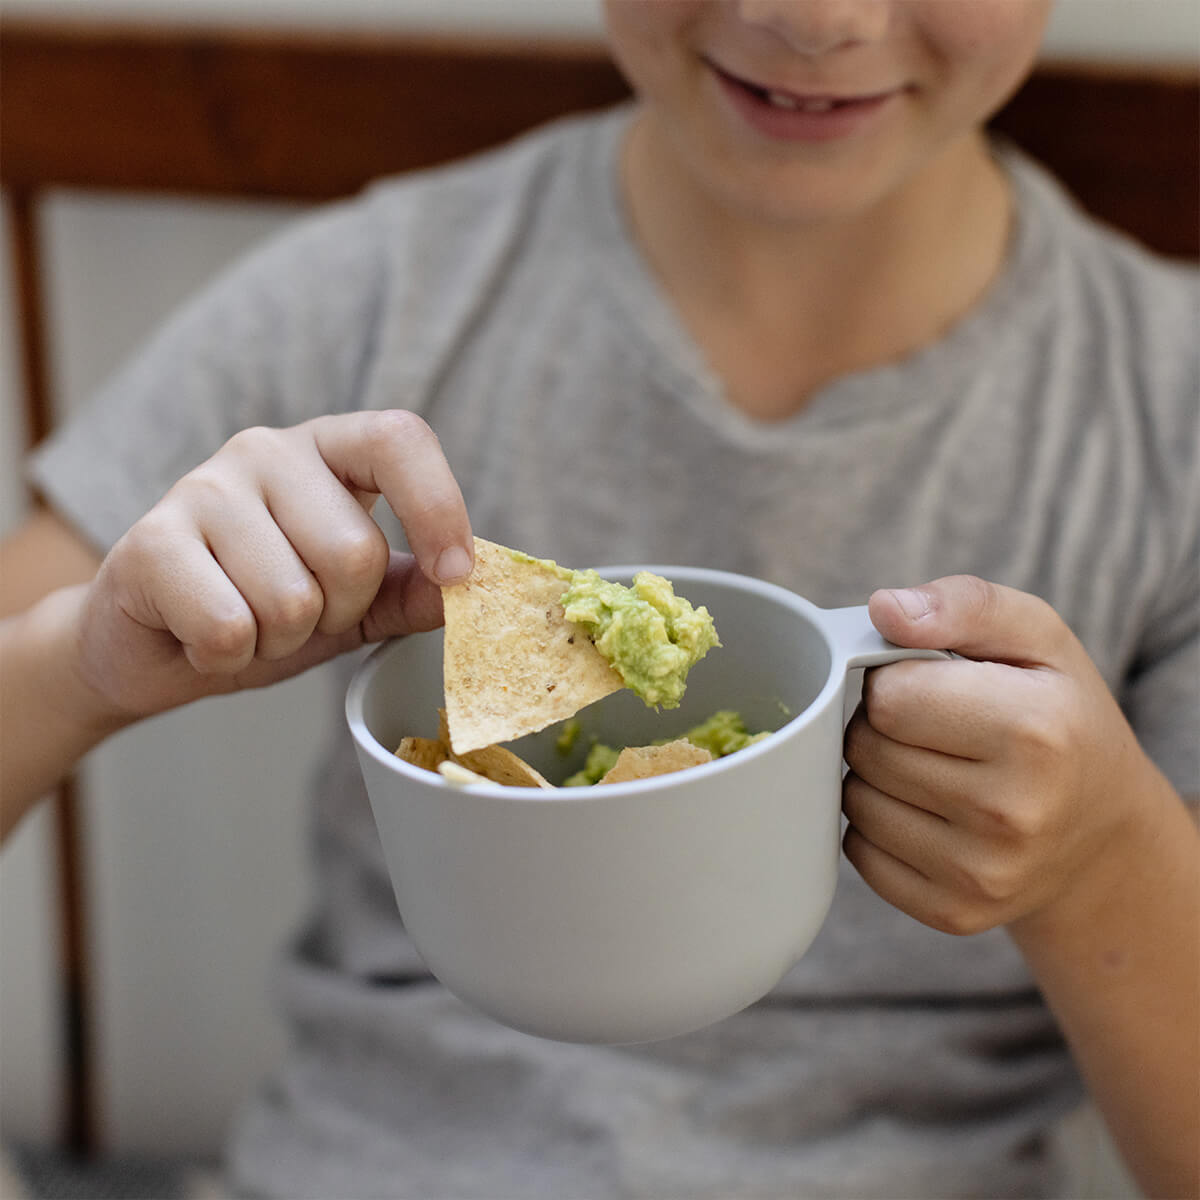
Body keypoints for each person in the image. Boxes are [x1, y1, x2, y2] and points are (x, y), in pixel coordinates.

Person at [1, 1, 1196, 1196]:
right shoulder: (382, 293)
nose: (816, 17)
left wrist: (1104, 854)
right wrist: (80, 668)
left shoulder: (1165, 415)